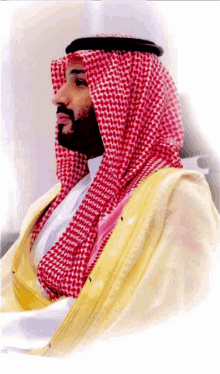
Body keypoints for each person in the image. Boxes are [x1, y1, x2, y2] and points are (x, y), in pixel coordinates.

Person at [1, 35, 220, 358]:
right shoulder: (55, 198)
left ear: (124, 99)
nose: (58, 97)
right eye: (64, 81)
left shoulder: (178, 197)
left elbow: (168, 323)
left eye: (80, 83)